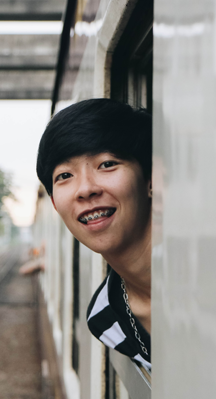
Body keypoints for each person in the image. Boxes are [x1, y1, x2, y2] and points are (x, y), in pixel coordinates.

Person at [36, 98, 152, 371]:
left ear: (150, 179)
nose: (85, 189)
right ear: (55, 203)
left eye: (107, 164)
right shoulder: (105, 319)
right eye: (65, 175)